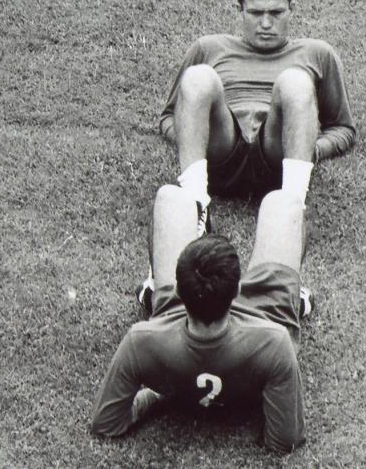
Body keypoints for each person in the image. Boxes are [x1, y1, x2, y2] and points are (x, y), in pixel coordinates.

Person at [91, 187, 308, 454]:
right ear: (238, 291)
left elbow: (107, 423)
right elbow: (285, 441)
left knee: (171, 197)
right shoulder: (274, 342)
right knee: (283, 201)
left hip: (173, 324)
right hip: (264, 313)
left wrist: (157, 395)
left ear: (178, 291)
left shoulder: (142, 341)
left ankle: (155, 288)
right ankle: (297, 299)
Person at [159, 0, 356, 226]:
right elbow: (169, 117)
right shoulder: (209, 48)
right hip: (221, 154)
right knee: (198, 77)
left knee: (295, 81)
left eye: (276, 12)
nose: (265, 24)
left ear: (291, 9)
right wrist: (192, 141)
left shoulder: (317, 53)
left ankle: (291, 210)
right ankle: (196, 207)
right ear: (240, 10)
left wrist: (312, 149)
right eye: (255, 13)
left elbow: (343, 128)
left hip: (279, 157)